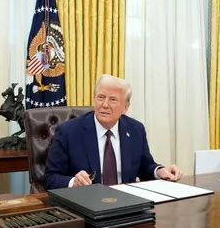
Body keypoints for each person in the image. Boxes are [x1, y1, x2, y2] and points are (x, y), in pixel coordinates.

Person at [44, 74, 183, 189]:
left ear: (125, 107)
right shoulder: (69, 132)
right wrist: (73, 182)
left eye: (113, 100)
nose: (105, 105)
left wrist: (160, 171)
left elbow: (144, 166)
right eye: (101, 97)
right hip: (87, 206)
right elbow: (50, 178)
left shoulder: (136, 130)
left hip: (125, 206)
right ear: (94, 99)